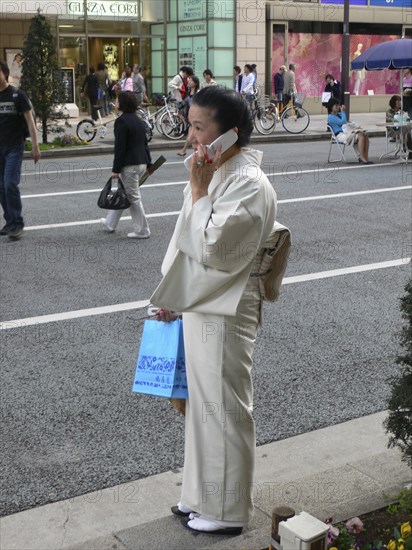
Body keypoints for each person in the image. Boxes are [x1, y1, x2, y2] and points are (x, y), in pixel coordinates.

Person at [150, 86, 277, 535]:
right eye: (191, 125)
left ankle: (226, 511)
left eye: (200, 128)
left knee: (224, 408)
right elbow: (186, 235)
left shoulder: (247, 182)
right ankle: (198, 496)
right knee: (202, 406)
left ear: (230, 135)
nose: (191, 136)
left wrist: (199, 188)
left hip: (227, 307)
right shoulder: (212, 170)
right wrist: (170, 295)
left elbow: (214, 247)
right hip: (204, 300)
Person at [100, 91, 152, 239]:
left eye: (117, 101)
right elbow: (145, 144)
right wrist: (149, 163)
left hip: (129, 165)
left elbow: (120, 147)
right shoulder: (139, 120)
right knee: (125, 192)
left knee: (133, 197)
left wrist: (115, 169)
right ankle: (110, 223)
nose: (115, 103)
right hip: (141, 162)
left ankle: (142, 230)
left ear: (122, 104)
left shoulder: (121, 121)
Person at [0, 60, 40, 240]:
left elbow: (30, 122)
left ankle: (17, 223)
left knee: (9, 184)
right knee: (1, 187)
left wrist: (35, 146)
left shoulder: (17, 95)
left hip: (14, 147)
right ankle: (10, 221)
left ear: (5, 73)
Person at [327, 98, 373, 164]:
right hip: (340, 135)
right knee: (360, 136)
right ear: (331, 106)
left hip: (347, 132)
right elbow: (343, 122)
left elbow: (346, 122)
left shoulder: (338, 115)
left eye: (338, 105)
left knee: (364, 134)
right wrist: (343, 111)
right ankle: (362, 158)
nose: (338, 107)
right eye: (336, 105)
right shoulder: (330, 117)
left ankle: (365, 157)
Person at [177, 75, 200, 156]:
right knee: (192, 136)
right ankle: (195, 151)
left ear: (195, 83)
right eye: (189, 80)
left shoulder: (198, 94)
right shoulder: (188, 92)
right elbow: (186, 104)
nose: (189, 81)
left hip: (196, 118)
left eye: (191, 81)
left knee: (191, 136)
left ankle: (185, 150)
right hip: (189, 117)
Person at [386, 95, 412, 159]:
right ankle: (408, 151)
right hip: (393, 131)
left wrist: (406, 118)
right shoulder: (389, 112)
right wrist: (400, 119)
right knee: (406, 134)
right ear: (393, 102)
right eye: (397, 101)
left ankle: (408, 150)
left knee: (407, 132)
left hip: (402, 130)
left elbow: (407, 120)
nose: (399, 102)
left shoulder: (402, 112)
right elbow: (391, 120)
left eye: (400, 101)